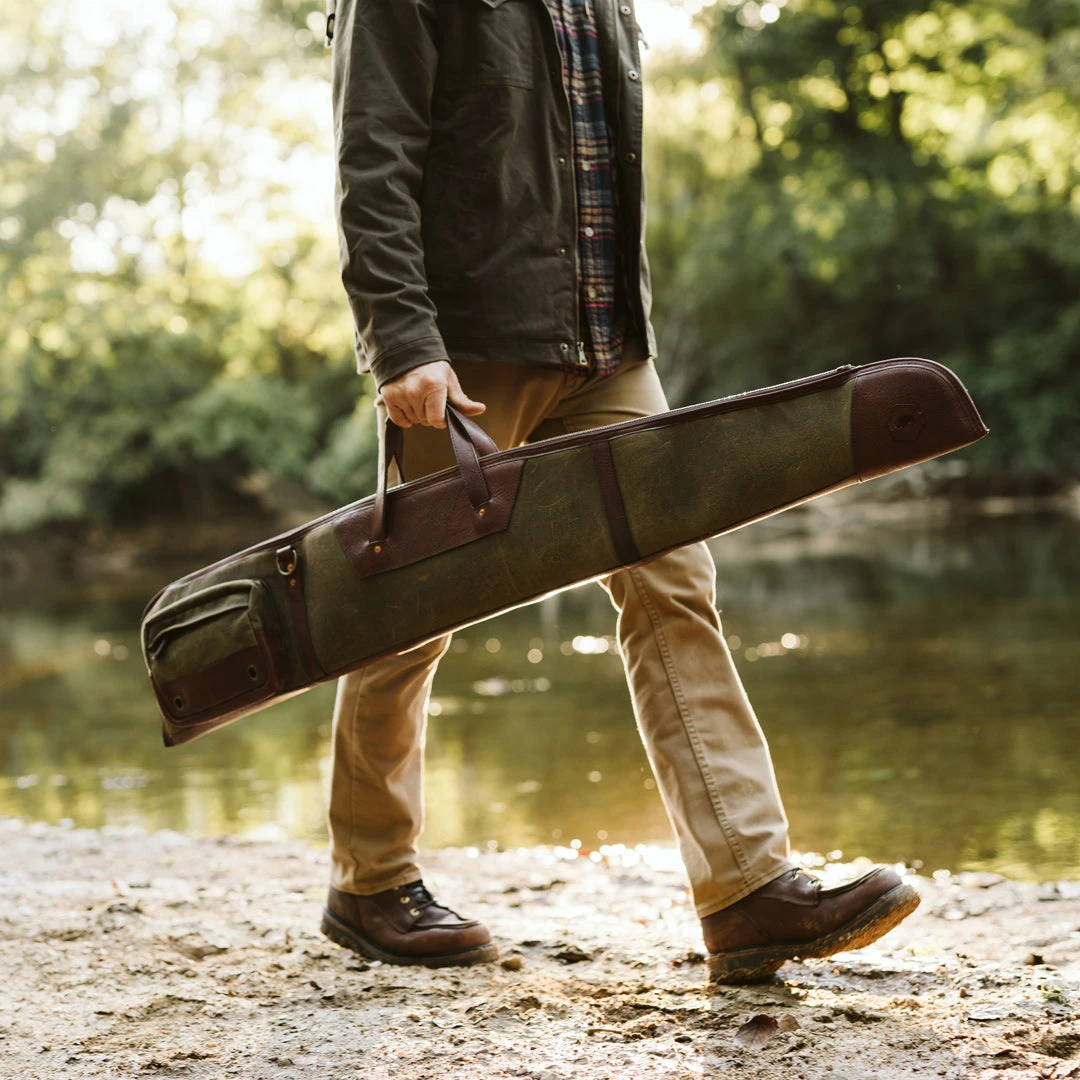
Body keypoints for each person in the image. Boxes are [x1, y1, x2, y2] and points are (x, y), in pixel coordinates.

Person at [319, 0, 919, 982]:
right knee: (409, 607)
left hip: (607, 348)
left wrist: (624, 326)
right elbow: (371, 150)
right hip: (470, 346)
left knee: (673, 581)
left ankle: (746, 890)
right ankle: (371, 879)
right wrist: (402, 339)